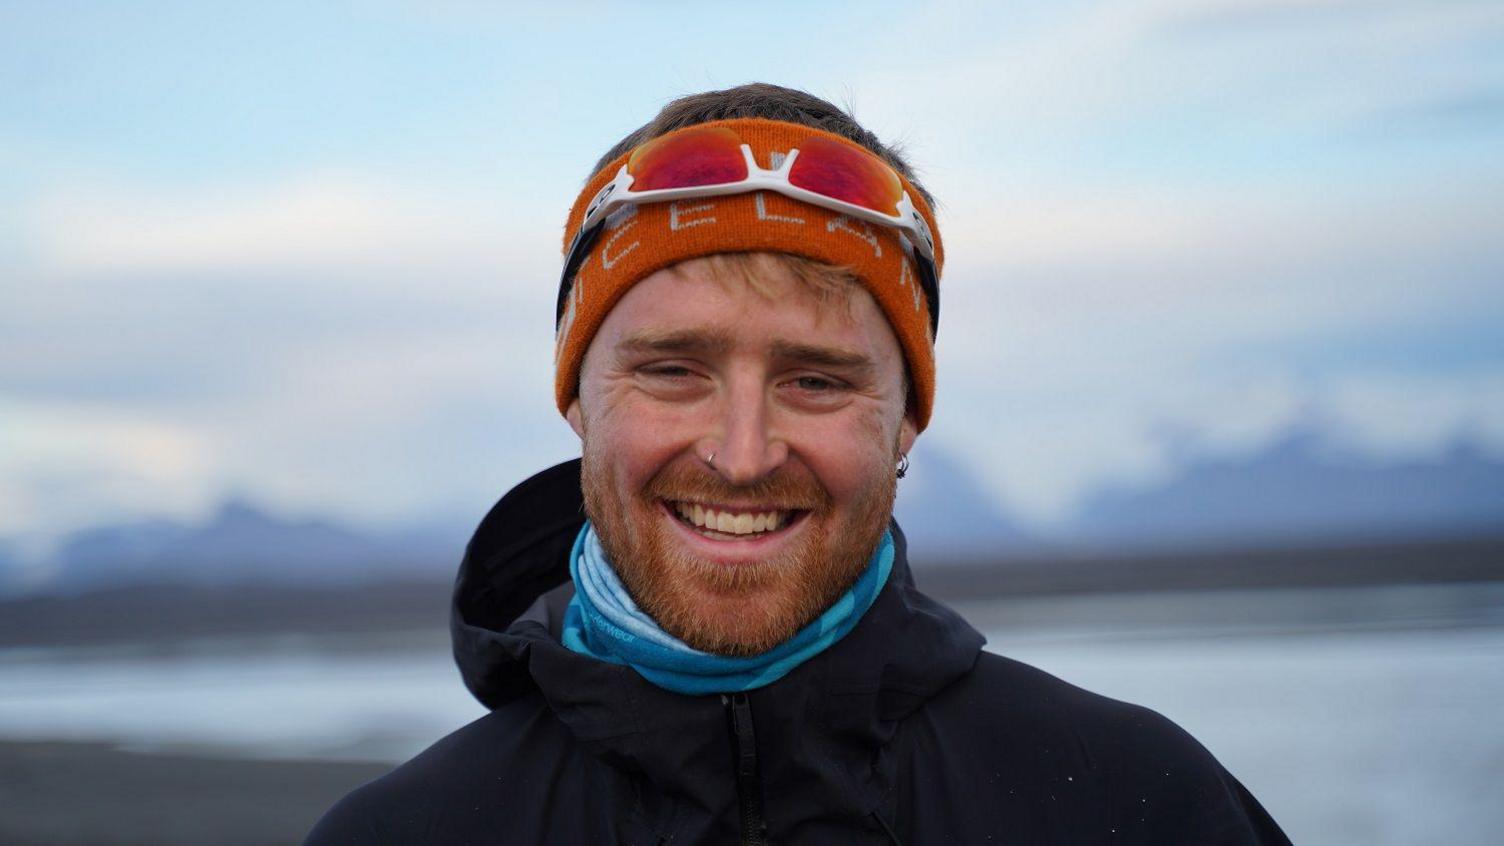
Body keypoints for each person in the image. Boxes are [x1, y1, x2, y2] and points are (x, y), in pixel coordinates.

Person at [305, 83, 1290, 845]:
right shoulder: (408, 834)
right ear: (576, 398)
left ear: (906, 423)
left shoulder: (1133, 804)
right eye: (673, 371)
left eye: (816, 381)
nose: (742, 456)